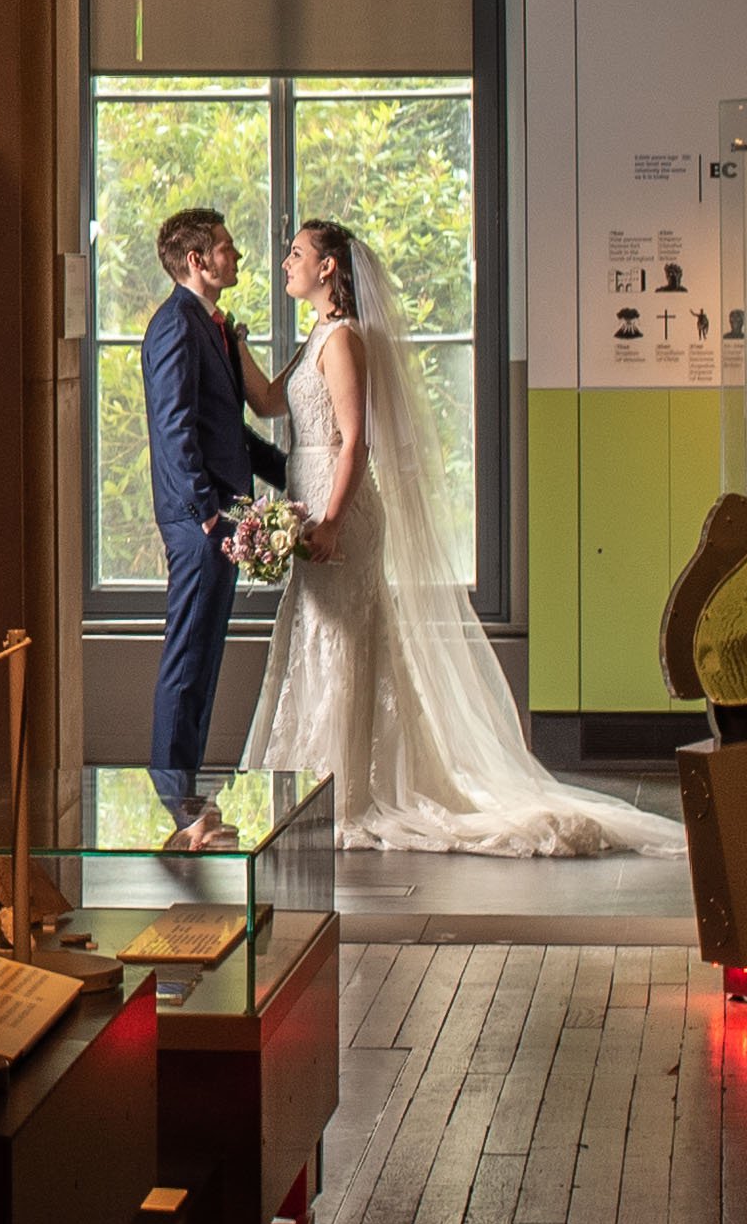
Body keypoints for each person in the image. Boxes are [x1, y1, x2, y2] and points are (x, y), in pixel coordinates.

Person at [234, 220, 680, 858]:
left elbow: (357, 441)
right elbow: (271, 402)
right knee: (319, 637)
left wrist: (332, 520)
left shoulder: (344, 341)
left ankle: (345, 787)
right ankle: (315, 784)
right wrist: (235, 340)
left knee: (344, 641)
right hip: (308, 500)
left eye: (297, 254)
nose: (285, 263)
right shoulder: (317, 336)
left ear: (329, 268)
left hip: (341, 507)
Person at [141, 206, 281, 841]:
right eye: (226, 248)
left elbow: (228, 432)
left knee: (203, 659)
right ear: (196, 261)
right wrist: (205, 516)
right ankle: (176, 798)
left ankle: (187, 799)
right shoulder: (174, 327)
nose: (236, 256)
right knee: (187, 658)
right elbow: (175, 431)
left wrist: (293, 476)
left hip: (224, 518)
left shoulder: (212, 327)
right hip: (200, 522)